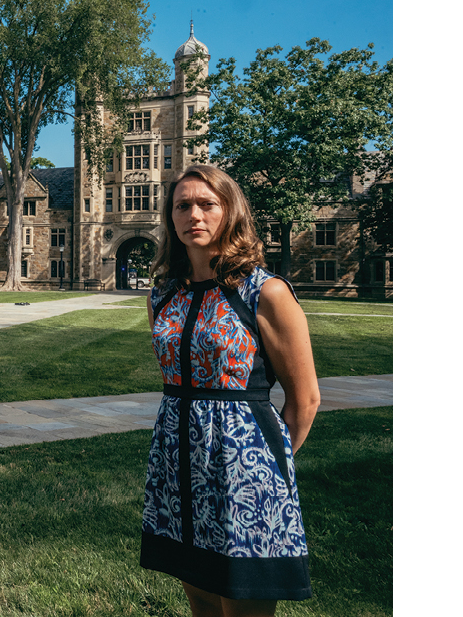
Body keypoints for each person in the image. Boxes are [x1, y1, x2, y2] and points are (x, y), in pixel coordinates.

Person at [140, 165, 322, 617]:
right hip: (176, 464)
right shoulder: (163, 296)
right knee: (199, 598)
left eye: (207, 204)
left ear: (230, 212)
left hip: (244, 470)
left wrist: (263, 466)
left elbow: (305, 400)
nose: (194, 215)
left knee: (242, 603)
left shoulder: (266, 292)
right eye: (183, 205)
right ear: (170, 218)